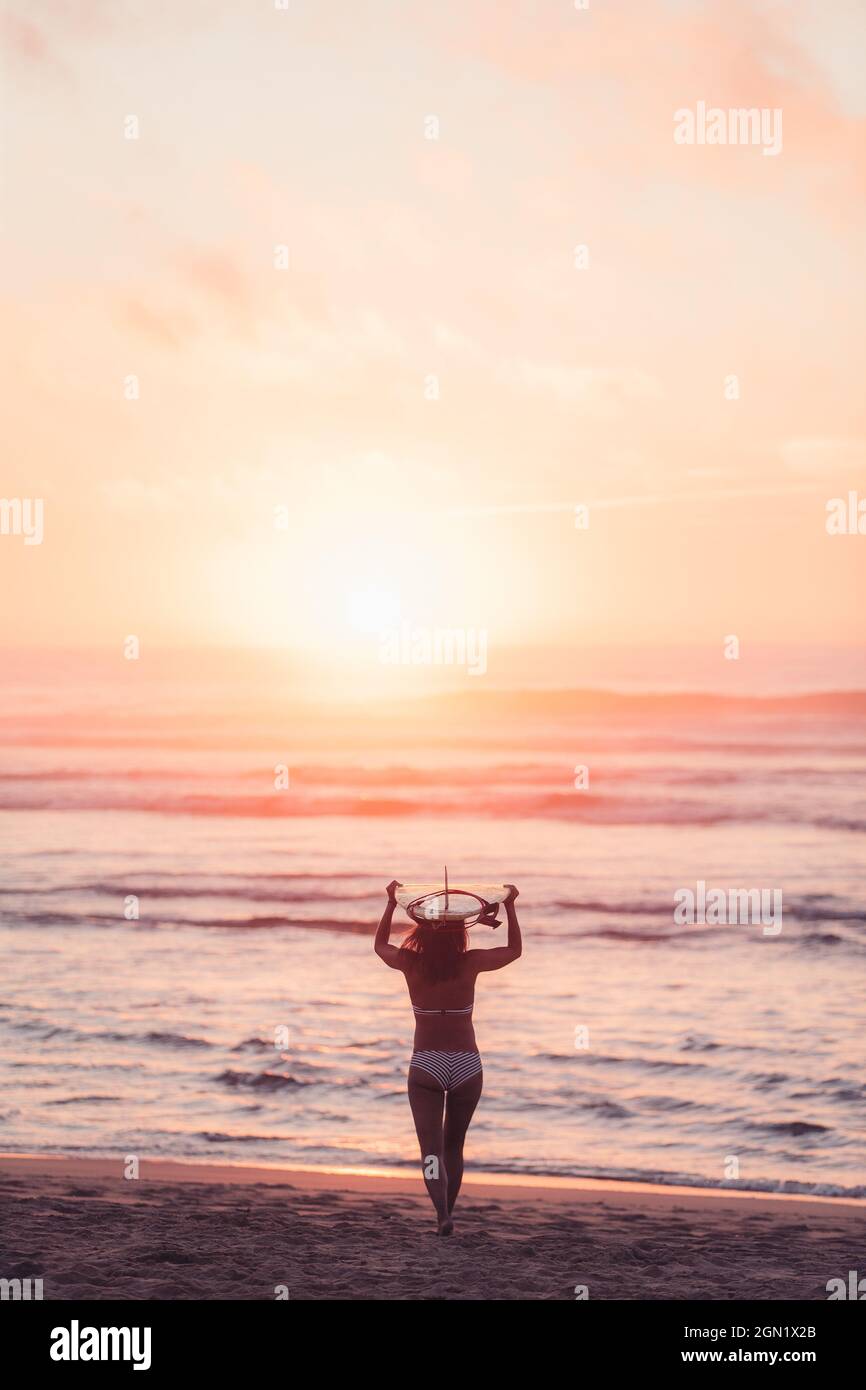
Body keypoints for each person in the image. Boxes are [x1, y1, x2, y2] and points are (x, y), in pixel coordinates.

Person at [374, 879, 522, 1235]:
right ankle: (450, 1210)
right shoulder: (470, 962)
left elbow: (379, 945)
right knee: (455, 1146)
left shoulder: (410, 963)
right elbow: (514, 950)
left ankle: (442, 1213)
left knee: (431, 1151)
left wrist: (391, 903)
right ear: (461, 933)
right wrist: (512, 906)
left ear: (422, 930)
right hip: (467, 1065)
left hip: (426, 1063)